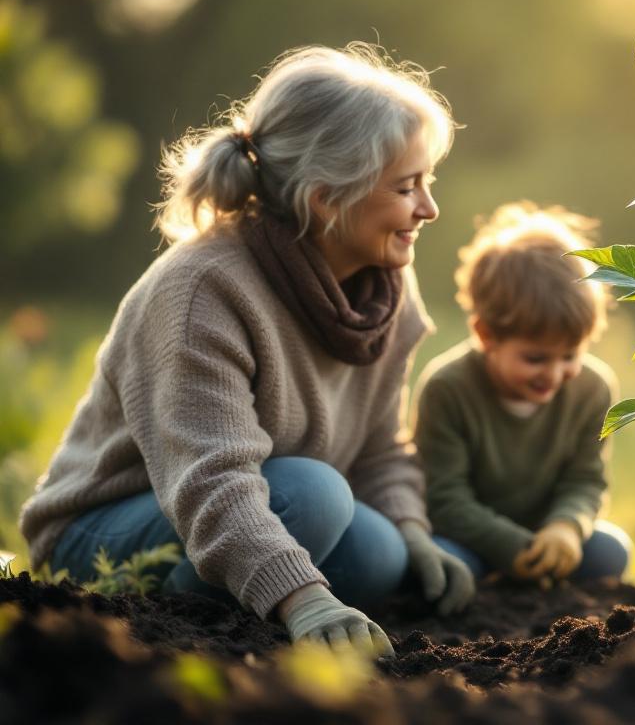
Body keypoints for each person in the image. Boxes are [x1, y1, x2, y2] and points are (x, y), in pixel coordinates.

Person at [19, 43, 472, 656]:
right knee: (315, 496)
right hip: (110, 526)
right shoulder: (201, 290)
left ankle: (249, 603)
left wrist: (415, 532)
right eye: (406, 187)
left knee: (381, 551)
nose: (429, 208)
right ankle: (172, 633)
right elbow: (211, 480)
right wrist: (305, 599)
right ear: (326, 199)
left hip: (272, 503)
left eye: (428, 181)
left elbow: (379, 446)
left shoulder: (388, 290)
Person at [412, 202, 631, 588]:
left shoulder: (592, 389)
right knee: (446, 565)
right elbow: (445, 499)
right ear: (486, 335)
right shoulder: (447, 388)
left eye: (570, 355)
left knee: (610, 551)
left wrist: (566, 528)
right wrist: (512, 547)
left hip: (547, 533)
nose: (554, 373)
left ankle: (540, 571)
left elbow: (586, 480)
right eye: (535, 358)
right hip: (472, 538)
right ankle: (510, 576)